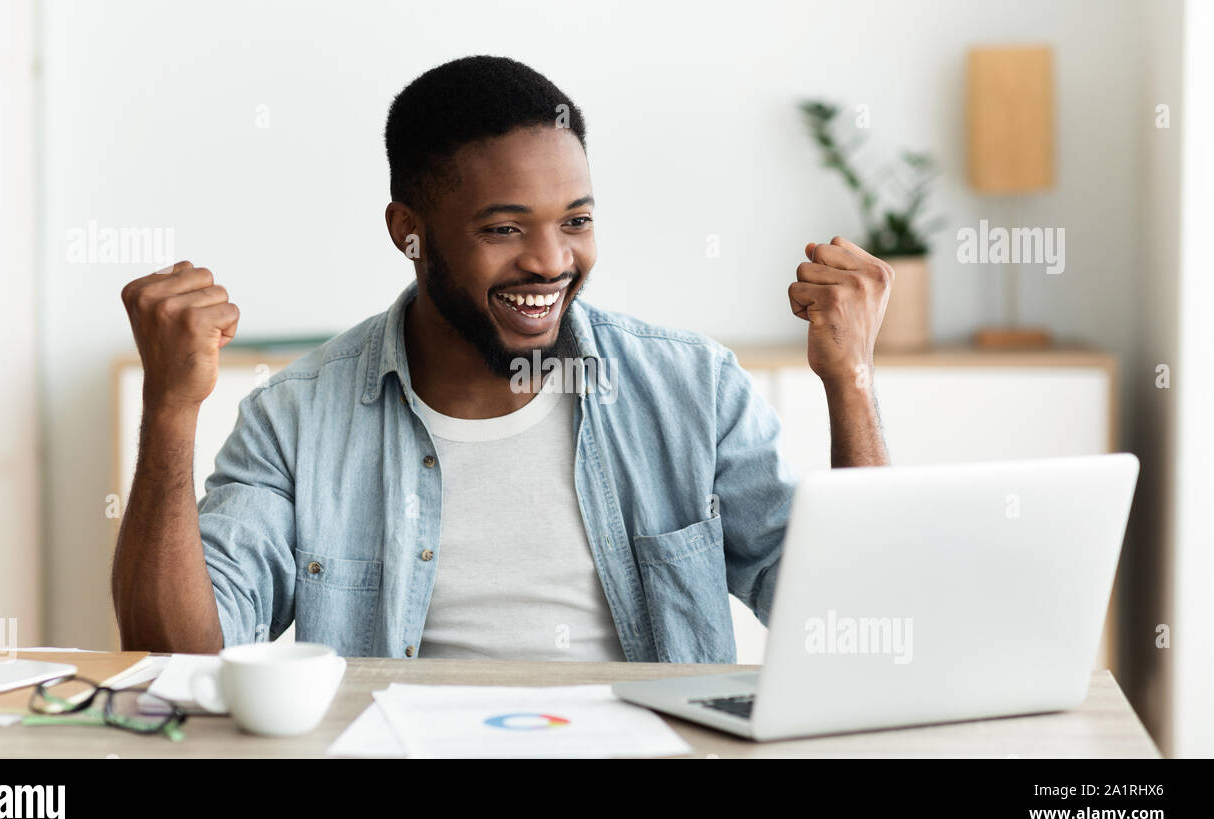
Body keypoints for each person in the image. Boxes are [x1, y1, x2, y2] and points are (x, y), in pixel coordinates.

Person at [111, 55, 890, 663]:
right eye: (504, 229)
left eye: (576, 219)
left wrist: (851, 379)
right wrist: (170, 409)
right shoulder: (299, 417)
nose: (551, 262)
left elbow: (854, 624)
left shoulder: (693, 389)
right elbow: (178, 659)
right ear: (407, 231)